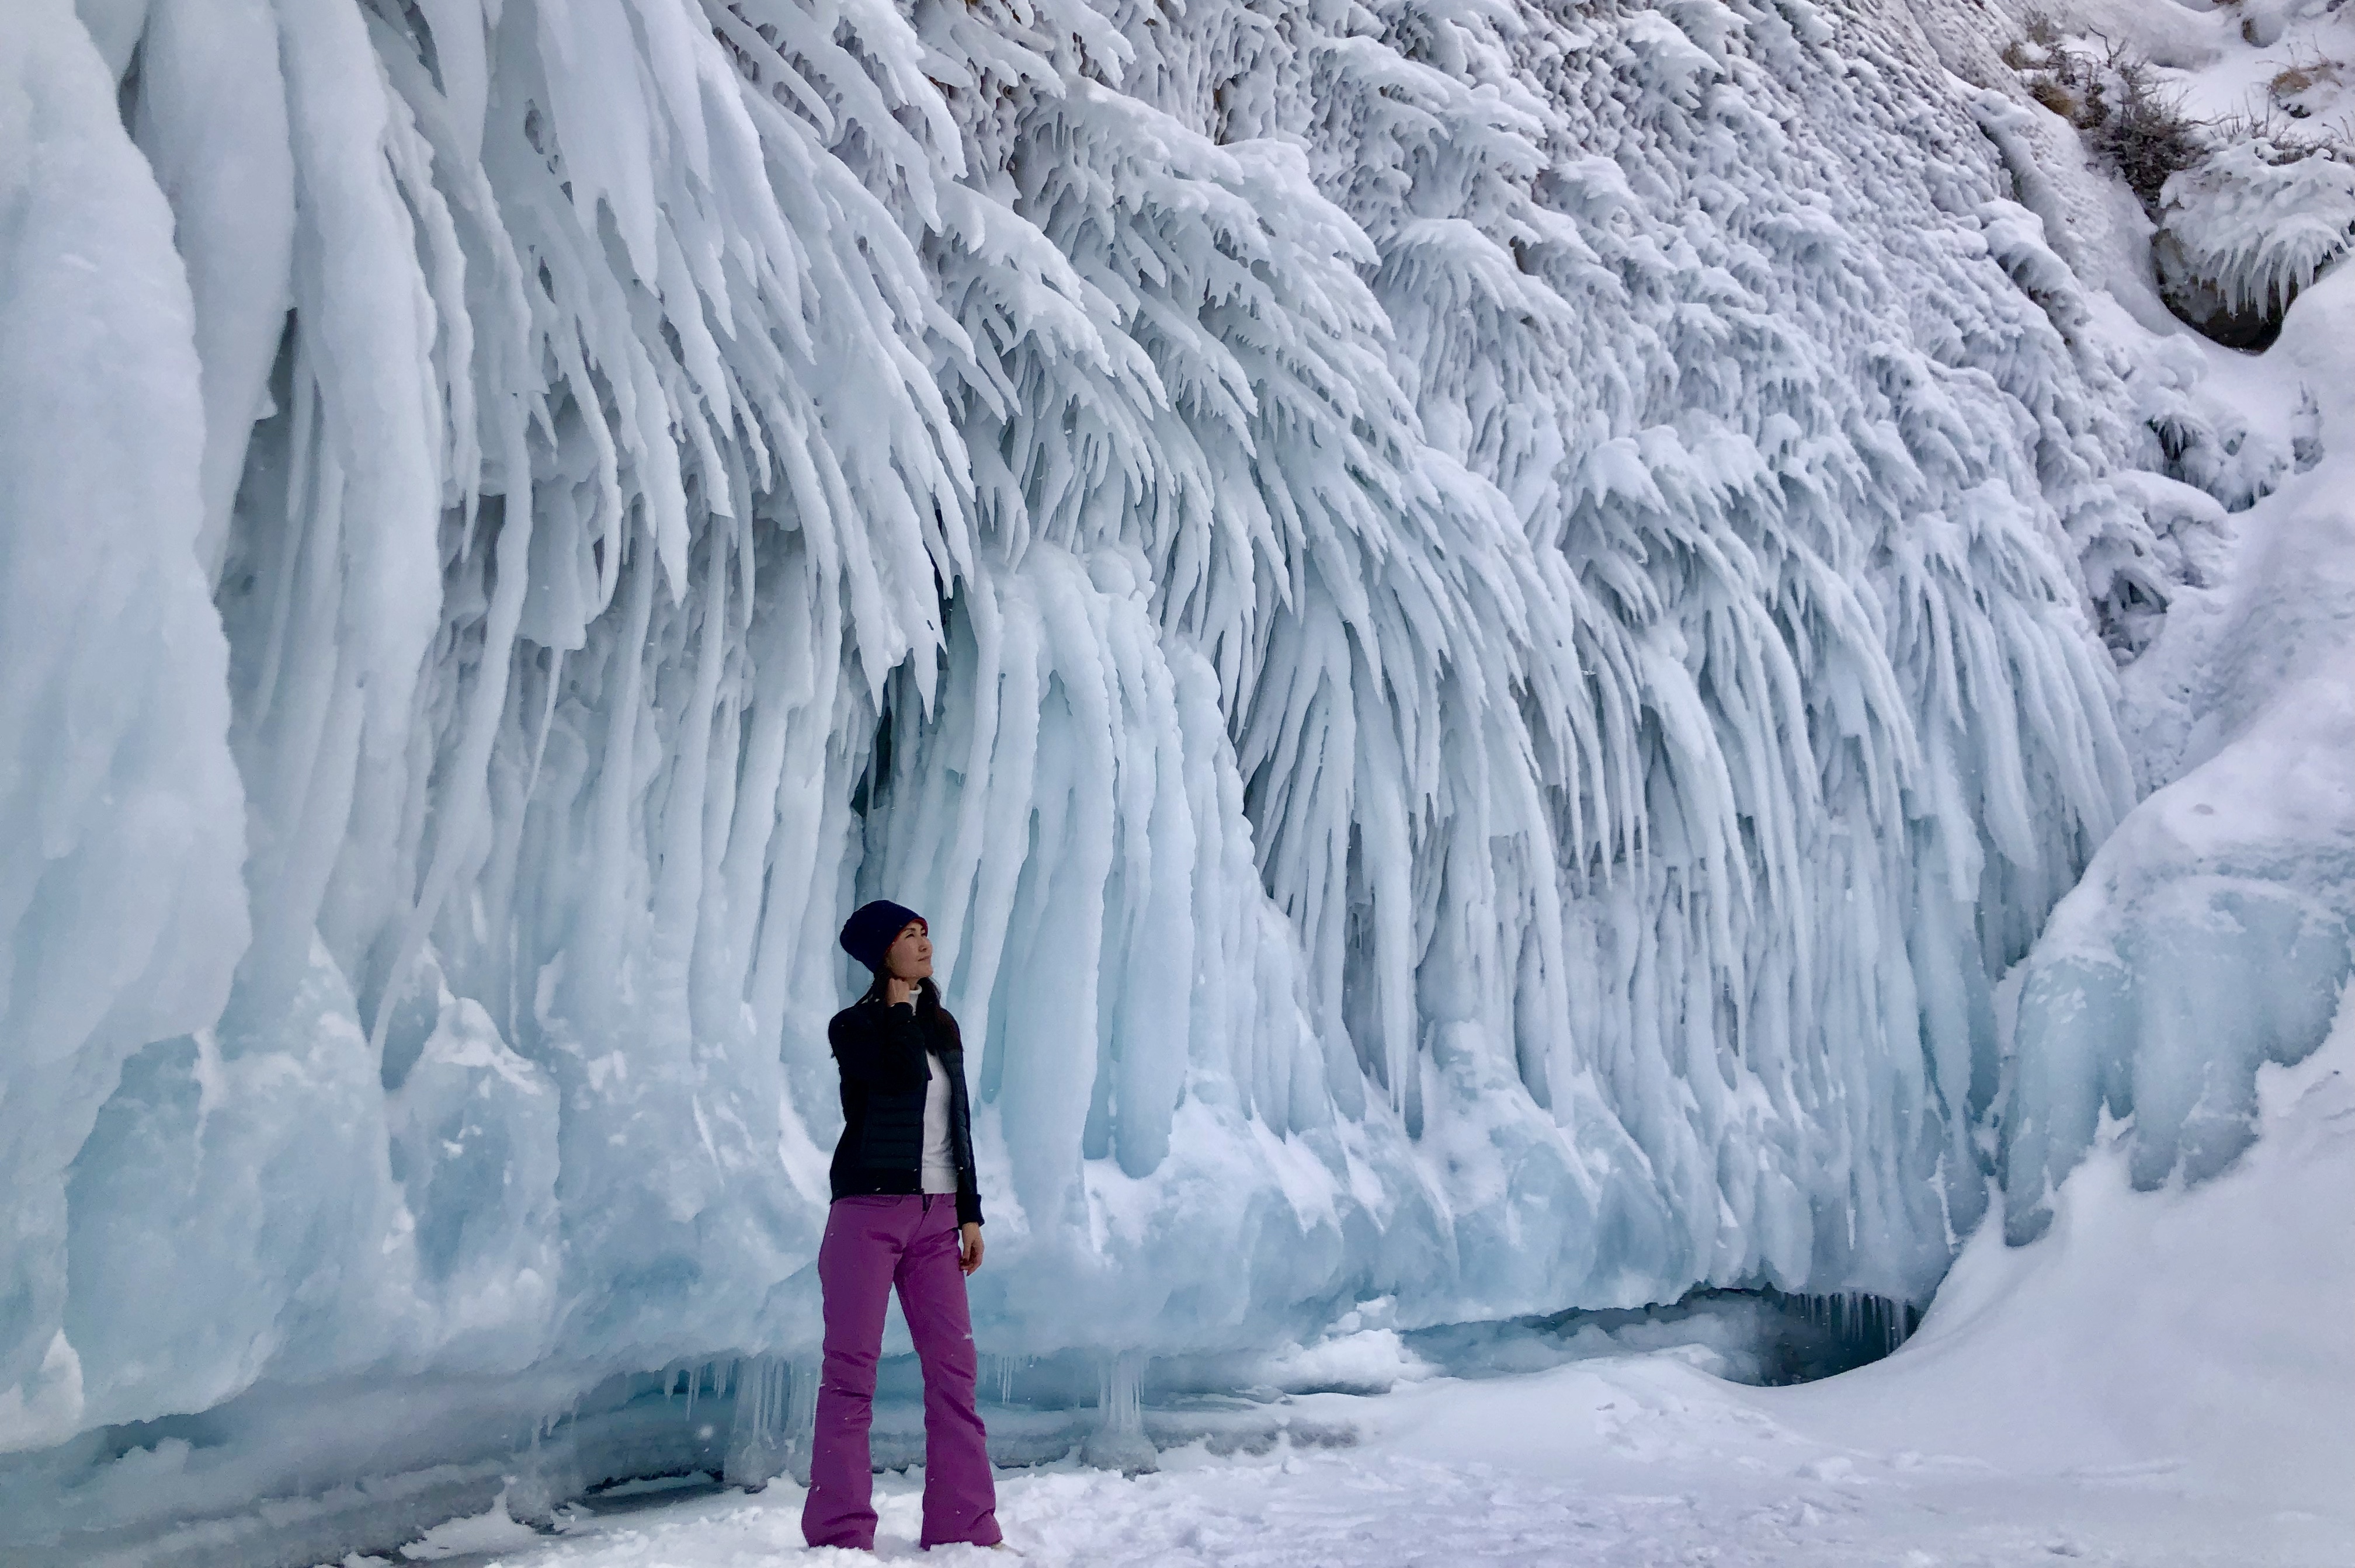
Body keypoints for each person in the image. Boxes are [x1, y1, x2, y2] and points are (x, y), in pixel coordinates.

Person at [802, 899, 1003, 1552]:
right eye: (909, 936)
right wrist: (893, 1008)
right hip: (865, 1214)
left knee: (955, 1371)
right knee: (851, 1372)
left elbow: (958, 1125)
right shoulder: (854, 1027)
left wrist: (969, 1212)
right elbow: (896, 1072)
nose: (924, 944)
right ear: (879, 952)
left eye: (925, 933)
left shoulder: (941, 1027)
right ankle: (840, 1534)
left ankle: (964, 1527)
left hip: (937, 1217)